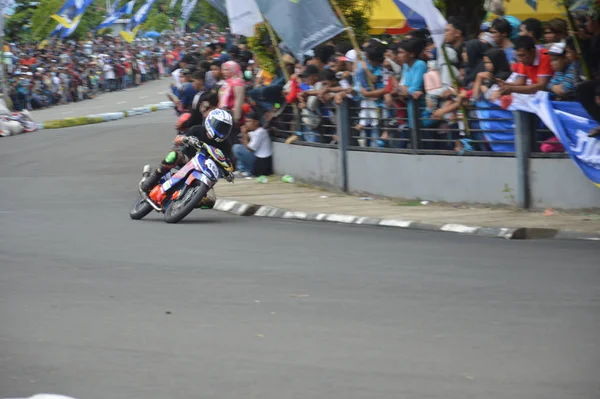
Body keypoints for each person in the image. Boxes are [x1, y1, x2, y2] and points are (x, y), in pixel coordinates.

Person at [141, 96, 229, 194]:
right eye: (219, 125)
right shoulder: (197, 130)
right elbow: (178, 140)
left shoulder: (226, 144)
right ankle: (151, 180)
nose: (222, 130)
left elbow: (228, 162)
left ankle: (185, 201)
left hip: (204, 171)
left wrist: (228, 172)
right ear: (211, 121)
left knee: (209, 201)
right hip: (187, 160)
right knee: (173, 155)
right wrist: (186, 139)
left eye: (225, 128)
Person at [232, 111, 273, 177]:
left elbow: (251, 149)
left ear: (256, 122)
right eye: (245, 121)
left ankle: (247, 171)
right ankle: (242, 170)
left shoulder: (261, 132)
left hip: (262, 161)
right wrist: (244, 134)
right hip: (257, 158)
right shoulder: (255, 131)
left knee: (237, 148)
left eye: (249, 121)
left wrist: (244, 135)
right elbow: (246, 138)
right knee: (239, 147)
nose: (246, 124)